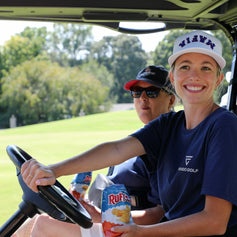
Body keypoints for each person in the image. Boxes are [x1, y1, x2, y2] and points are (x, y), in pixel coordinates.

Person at [21, 30, 237, 236]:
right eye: (185, 67)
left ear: (219, 79)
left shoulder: (223, 126)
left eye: (206, 68)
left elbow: (214, 222)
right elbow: (116, 149)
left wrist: (142, 233)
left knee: (45, 228)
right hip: (160, 232)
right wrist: (54, 170)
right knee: (41, 224)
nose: (194, 76)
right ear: (172, 77)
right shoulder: (169, 124)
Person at [13, 65, 176, 237]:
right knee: (26, 223)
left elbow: (160, 215)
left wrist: (100, 216)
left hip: (124, 228)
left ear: (171, 100)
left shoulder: (165, 146)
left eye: (151, 92)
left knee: (43, 224)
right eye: (136, 92)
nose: (142, 98)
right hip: (103, 215)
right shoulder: (138, 140)